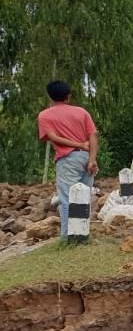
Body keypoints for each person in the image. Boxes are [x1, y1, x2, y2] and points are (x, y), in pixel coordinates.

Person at [36, 80, 98, 238]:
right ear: (68, 96)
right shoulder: (81, 112)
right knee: (83, 197)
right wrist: (92, 159)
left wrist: (78, 145)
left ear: (50, 96)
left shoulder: (44, 115)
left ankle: (67, 238)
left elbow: (53, 137)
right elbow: (93, 135)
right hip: (85, 157)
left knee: (67, 199)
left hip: (67, 159)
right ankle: (82, 235)